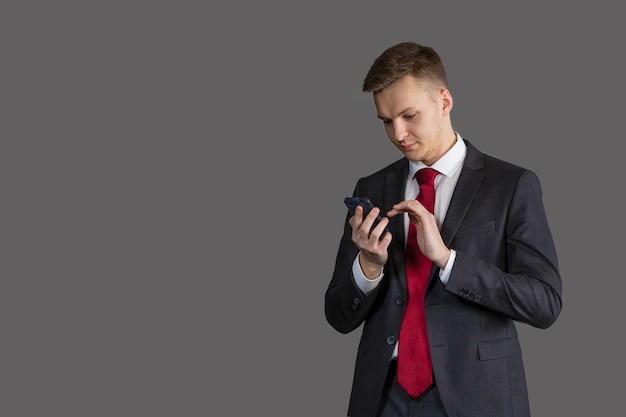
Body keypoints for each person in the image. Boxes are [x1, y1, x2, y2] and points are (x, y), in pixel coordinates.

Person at [324, 41, 562, 417]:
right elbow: (338, 316)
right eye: (386, 121)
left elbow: (544, 303)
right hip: (382, 399)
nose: (398, 133)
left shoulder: (511, 184)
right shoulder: (370, 189)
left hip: (478, 397)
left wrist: (449, 261)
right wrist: (368, 267)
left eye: (409, 115)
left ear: (445, 101)